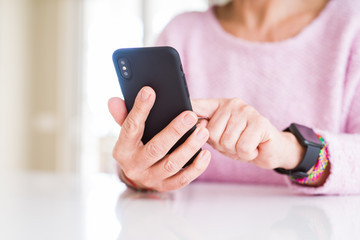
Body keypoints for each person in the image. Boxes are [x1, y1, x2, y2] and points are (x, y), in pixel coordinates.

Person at [108, 0, 360, 194]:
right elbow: (141, 163)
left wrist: (290, 151)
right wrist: (136, 173)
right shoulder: (182, 32)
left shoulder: (351, 24)